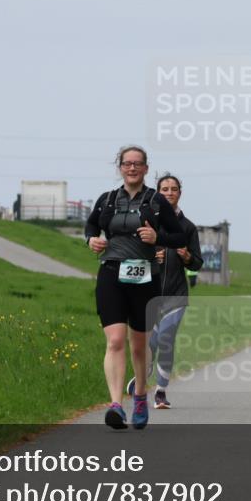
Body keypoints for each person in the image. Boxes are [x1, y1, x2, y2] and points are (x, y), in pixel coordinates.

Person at [85, 146, 185, 429]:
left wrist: (157, 236)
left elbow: (178, 236)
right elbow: (91, 227)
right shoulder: (106, 200)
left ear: (145, 168)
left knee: (139, 347)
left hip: (144, 279)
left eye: (137, 164)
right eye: (127, 164)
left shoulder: (156, 201)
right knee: (115, 341)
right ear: (120, 167)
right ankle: (116, 406)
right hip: (111, 273)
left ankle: (140, 395)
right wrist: (91, 240)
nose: (131, 168)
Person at [125, 173, 203, 410]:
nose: (169, 193)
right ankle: (143, 375)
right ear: (158, 193)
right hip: (149, 295)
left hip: (176, 295)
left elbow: (197, 263)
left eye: (174, 189)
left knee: (165, 339)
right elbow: (130, 257)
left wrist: (187, 256)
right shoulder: (146, 222)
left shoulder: (188, 228)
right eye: (165, 189)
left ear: (180, 193)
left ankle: (160, 392)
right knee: (150, 344)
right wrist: (151, 257)